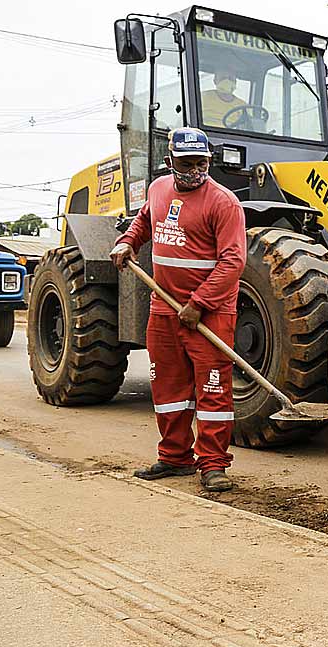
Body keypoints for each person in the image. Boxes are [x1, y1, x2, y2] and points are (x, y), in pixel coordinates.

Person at [109, 127, 246, 492]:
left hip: (211, 312)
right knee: (168, 388)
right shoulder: (157, 189)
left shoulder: (224, 202)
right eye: (187, 164)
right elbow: (144, 221)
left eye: (202, 163)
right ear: (170, 162)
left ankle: (213, 465)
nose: (195, 170)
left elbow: (233, 262)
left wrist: (199, 304)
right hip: (165, 308)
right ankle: (174, 457)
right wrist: (127, 243)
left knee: (213, 391)